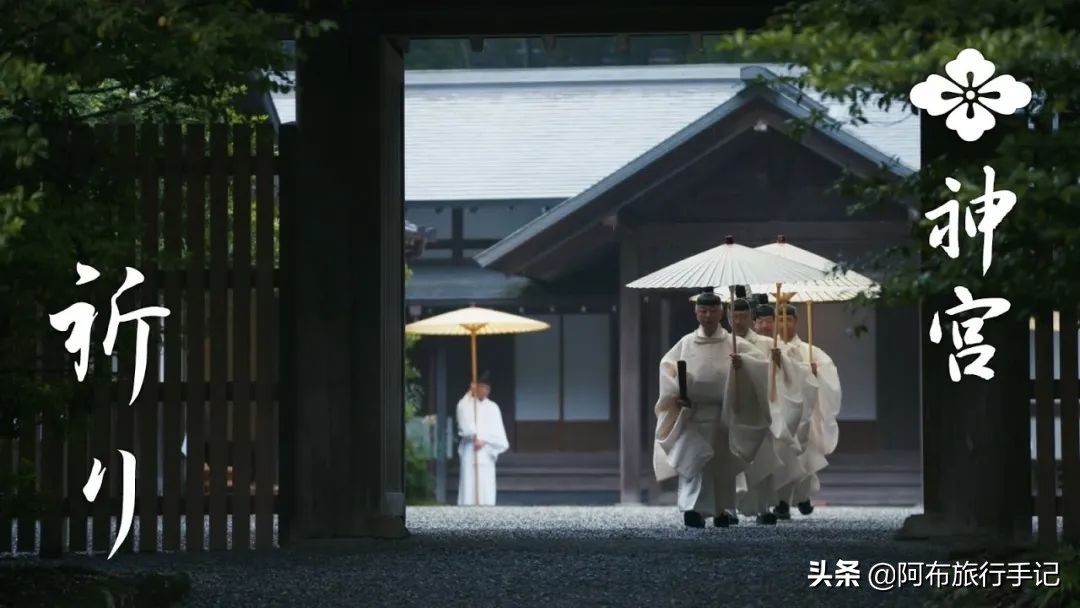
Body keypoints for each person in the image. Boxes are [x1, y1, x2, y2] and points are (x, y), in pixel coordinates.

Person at [653, 287, 773, 528]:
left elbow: (761, 363)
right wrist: (678, 392)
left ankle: (722, 510)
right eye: (703, 311)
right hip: (695, 412)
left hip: (723, 412)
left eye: (712, 311)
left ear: (721, 313)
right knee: (695, 462)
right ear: (696, 313)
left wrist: (743, 364)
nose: (707, 316)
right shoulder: (686, 343)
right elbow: (667, 366)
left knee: (721, 463)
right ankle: (693, 509)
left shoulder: (732, 342)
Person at [731, 291, 815, 525]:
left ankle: (764, 507)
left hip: (769, 408)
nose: (766, 326)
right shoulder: (732, 343)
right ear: (754, 322)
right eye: (762, 321)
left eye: (770, 322)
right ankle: (729, 507)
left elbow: (794, 376)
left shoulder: (772, 345)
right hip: (739, 408)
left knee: (764, 458)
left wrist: (782, 362)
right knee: (733, 460)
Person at [772, 303, 842, 519]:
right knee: (783, 457)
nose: (784, 324)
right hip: (780, 413)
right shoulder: (771, 349)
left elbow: (829, 376)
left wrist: (816, 372)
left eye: (789, 319)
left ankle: (802, 497)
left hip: (805, 412)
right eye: (780, 319)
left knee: (804, 457)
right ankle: (782, 501)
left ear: (796, 321)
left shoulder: (811, 352)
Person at [456, 370, 509, 506]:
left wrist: (484, 440)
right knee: (469, 484)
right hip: (470, 450)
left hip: (486, 452)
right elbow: (465, 421)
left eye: (487, 388)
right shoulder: (465, 404)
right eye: (482, 387)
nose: (485, 391)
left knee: (485, 485)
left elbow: (498, 434)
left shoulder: (493, 407)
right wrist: (473, 436)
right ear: (474, 386)